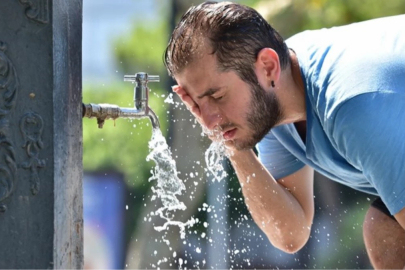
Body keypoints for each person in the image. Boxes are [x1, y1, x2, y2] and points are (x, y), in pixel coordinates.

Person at [164, 1, 405, 268]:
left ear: (268, 67)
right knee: (385, 231)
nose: (209, 121)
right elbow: (290, 234)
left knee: (383, 229)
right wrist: (232, 144)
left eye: (218, 96)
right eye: (198, 104)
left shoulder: (352, 105)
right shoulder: (272, 100)